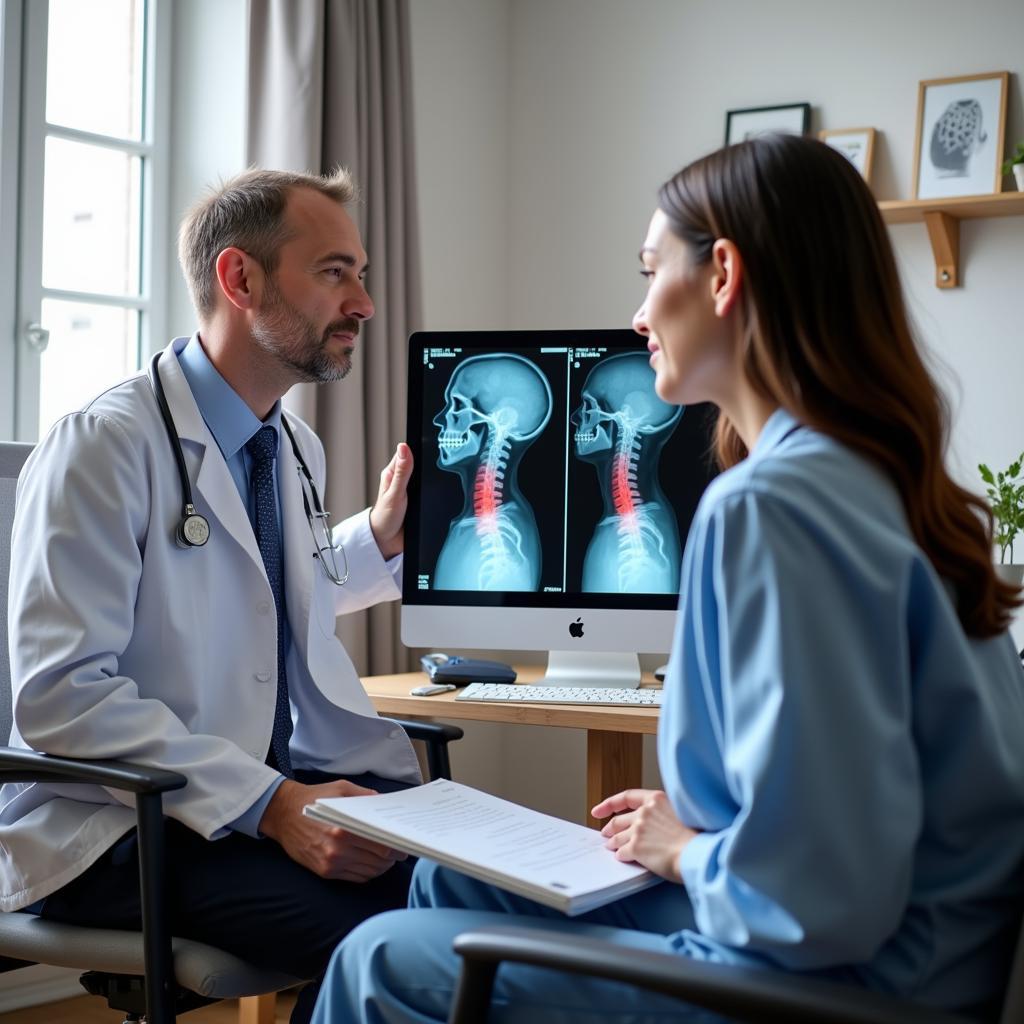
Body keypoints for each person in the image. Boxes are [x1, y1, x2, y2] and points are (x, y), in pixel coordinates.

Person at [308, 134, 1024, 1023]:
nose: (641, 314)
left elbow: (818, 900)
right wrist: (712, 837)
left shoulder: (772, 506)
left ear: (722, 274)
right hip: (904, 957)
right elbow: (852, 796)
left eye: (652, 273)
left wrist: (688, 852)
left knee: (379, 957)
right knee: (456, 890)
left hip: (843, 986)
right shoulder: (873, 475)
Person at [2, 168, 423, 1022]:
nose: (366, 304)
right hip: (118, 832)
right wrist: (274, 807)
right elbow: (59, 695)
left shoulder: (292, 446)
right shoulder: (104, 446)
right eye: (336, 272)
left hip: (236, 810)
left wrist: (374, 540)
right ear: (241, 280)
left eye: (363, 274)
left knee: (468, 889)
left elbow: (260, 600)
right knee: (395, 933)